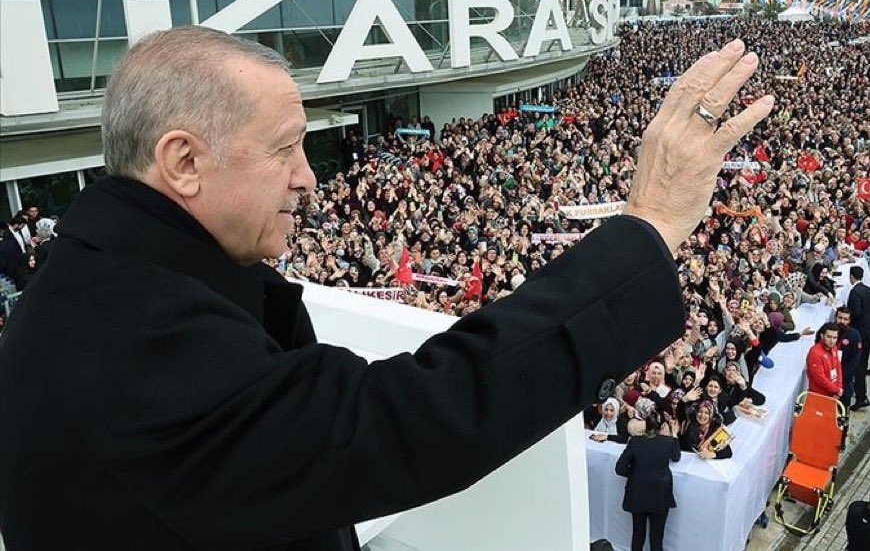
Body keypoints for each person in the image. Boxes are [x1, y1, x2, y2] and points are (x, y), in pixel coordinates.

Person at [0, 27, 776, 548]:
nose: (309, 178)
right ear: (183, 162)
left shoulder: (102, 279)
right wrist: (648, 228)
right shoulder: (128, 333)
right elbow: (411, 418)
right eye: (287, 149)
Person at [614, 409, 681, 551]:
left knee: (638, 535)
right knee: (657, 539)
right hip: (660, 495)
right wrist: (674, 434)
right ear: (661, 426)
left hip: (638, 493)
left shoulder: (635, 442)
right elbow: (676, 457)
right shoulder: (668, 441)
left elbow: (620, 468)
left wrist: (636, 473)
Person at [846, 265, 870, 406]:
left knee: (858, 365)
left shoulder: (855, 292)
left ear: (852, 276)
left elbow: (856, 312)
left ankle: (861, 396)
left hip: (860, 331)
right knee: (863, 363)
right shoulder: (868, 289)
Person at [835, 306, 867, 410]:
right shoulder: (828, 330)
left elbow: (855, 360)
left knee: (842, 410)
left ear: (849, 320)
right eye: (840, 318)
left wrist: (842, 376)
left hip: (844, 379)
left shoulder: (854, 335)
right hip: (828, 376)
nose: (842, 321)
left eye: (845, 319)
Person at [806, 323, 842, 399]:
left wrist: (839, 387)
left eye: (835, 338)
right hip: (818, 396)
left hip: (833, 394)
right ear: (822, 336)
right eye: (829, 337)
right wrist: (837, 390)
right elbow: (819, 378)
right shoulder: (815, 353)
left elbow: (838, 367)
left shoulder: (834, 348)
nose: (832, 341)